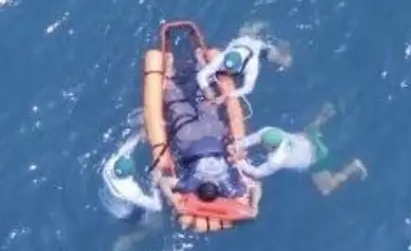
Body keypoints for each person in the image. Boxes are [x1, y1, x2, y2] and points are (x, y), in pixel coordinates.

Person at [155, 54, 262, 215]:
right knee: (177, 106)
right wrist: (171, 199)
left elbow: (256, 186)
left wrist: (255, 206)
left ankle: (201, 65)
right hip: (189, 140)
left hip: (213, 137)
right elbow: (164, 182)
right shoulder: (192, 183)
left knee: (208, 105)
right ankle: (170, 75)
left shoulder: (226, 184)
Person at [229, 103, 368, 196]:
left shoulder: (276, 160)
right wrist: (237, 146)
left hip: (318, 160)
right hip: (311, 141)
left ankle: (353, 167)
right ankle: (326, 113)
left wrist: (239, 162)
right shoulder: (271, 131)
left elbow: (257, 173)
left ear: (270, 146)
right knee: (305, 133)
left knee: (326, 189)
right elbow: (254, 139)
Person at [195, 21, 292, 105]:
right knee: (246, 32)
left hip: (258, 48)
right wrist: (206, 90)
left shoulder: (252, 65)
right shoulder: (222, 58)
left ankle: (282, 44)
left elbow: (248, 88)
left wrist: (227, 95)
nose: (226, 72)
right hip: (241, 41)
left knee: (286, 61)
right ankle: (257, 26)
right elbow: (201, 75)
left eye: (230, 71)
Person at [99, 132, 163, 223]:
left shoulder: (109, 166)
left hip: (105, 197)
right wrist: (155, 184)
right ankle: (133, 236)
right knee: (155, 224)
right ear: (129, 176)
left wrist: (140, 135)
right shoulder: (131, 191)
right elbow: (157, 206)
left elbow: (125, 149)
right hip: (122, 212)